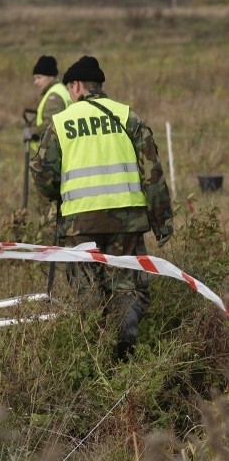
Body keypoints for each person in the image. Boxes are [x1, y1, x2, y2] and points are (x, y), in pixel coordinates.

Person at [30, 56, 174, 361]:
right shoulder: (127, 116)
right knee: (126, 284)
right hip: (128, 221)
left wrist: (60, 196)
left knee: (87, 285)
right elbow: (152, 172)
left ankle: (93, 352)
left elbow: (41, 172)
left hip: (80, 221)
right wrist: (162, 222)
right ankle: (125, 350)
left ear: (77, 86)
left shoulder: (61, 122)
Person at [22, 55, 73, 238]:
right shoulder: (63, 92)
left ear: (50, 76)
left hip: (51, 158)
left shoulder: (54, 96)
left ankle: (52, 240)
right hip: (63, 154)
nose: (35, 82)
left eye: (38, 77)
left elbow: (51, 123)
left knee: (47, 203)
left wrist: (32, 132)